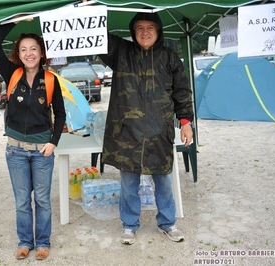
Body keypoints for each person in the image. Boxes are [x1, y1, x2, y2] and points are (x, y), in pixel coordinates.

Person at [98, 9, 194, 245]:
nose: (145, 32)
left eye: (150, 27)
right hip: (126, 133)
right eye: (140, 28)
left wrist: (185, 122)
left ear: (158, 31)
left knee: (163, 182)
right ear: (133, 32)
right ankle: (129, 225)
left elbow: (182, 92)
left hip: (159, 132)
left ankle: (167, 223)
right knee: (129, 184)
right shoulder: (121, 51)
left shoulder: (170, 58)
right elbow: (96, 35)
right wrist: (86, 10)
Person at [0, 18, 66, 260]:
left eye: (33, 49)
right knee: (22, 201)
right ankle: (24, 241)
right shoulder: (12, 73)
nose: (29, 53)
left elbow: (60, 113)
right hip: (15, 151)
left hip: (43, 151)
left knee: (42, 200)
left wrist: (54, 142)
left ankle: (43, 242)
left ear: (41, 53)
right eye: (23, 49)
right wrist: (15, 20)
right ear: (18, 54)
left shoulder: (51, 80)